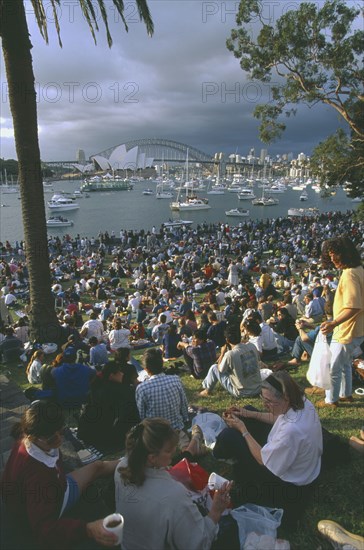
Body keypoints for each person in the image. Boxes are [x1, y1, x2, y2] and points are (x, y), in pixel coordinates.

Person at [1, 400, 120, 549]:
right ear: (34, 437)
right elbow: (44, 530)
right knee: (97, 468)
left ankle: (127, 461)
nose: (59, 438)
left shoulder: (26, 439)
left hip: (50, 491)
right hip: (51, 501)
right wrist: (88, 529)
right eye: (52, 438)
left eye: (61, 431)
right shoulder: (38, 475)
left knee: (97, 466)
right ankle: (131, 461)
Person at [213, 371, 323, 528]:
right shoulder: (302, 402)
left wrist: (243, 429)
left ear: (285, 398)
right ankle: (228, 446)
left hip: (289, 482)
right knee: (248, 410)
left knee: (232, 435)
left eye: (269, 401)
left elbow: (263, 460)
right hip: (305, 465)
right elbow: (278, 417)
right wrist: (247, 413)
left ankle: (221, 454)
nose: (265, 404)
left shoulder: (291, 431)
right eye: (263, 399)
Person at [114, 418, 232, 550]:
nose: (175, 450)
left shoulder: (122, 468)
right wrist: (216, 511)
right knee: (230, 525)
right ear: (152, 458)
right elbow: (198, 544)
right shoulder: (172, 495)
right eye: (169, 450)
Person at [318, 237, 364, 407]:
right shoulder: (358, 269)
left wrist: (333, 322)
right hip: (355, 328)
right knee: (344, 363)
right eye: (330, 255)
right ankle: (346, 394)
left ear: (344, 254)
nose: (332, 259)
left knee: (333, 366)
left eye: (335, 254)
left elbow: (354, 306)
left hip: (347, 330)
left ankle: (331, 400)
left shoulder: (350, 274)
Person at [77, 361, 140, 452]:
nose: (122, 374)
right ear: (112, 375)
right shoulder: (120, 391)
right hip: (109, 433)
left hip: (92, 431)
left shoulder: (97, 386)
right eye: (119, 372)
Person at [136, 348, 189, 449]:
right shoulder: (176, 380)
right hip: (177, 427)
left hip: (156, 433)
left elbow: (142, 416)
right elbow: (184, 404)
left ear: (146, 369)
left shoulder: (142, 388)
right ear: (162, 364)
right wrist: (186, 419)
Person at [199, 324, 261, 398]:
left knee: (214, 368)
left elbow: (220, 370)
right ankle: (205, 386)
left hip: (243, 393)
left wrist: (222, 353)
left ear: (227, 340)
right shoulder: (252, 346)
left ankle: (206, 390)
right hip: (258, 388)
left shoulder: (230, 354)